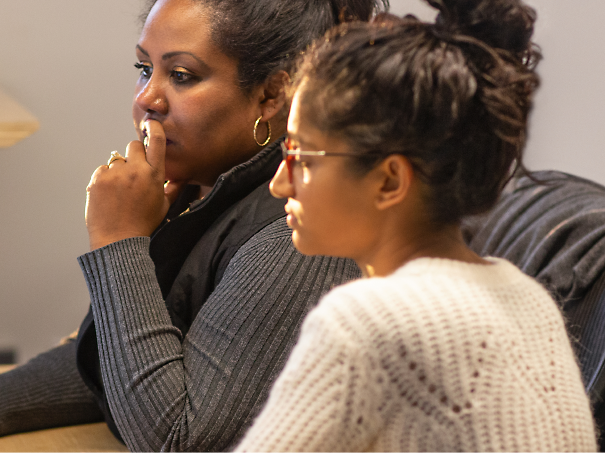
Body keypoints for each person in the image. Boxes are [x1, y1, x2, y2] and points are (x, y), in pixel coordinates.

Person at [0, 0, 382, 451]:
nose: (146, 99)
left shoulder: (295, 231)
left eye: (181, 75)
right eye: (145, 69)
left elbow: (176, 438)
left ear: (271, 94)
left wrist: (119, 243)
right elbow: (131, 358)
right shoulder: (211, 185)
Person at [232, 0, 597, 451]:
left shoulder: (364, 323)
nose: (279, 183)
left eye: (302, 157)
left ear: (389, 180)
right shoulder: (532, 302)